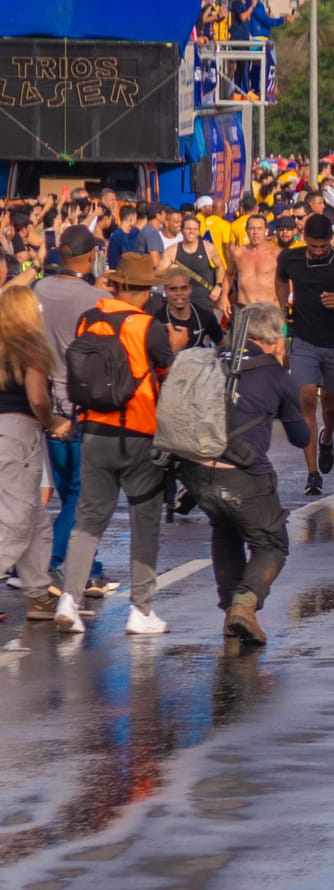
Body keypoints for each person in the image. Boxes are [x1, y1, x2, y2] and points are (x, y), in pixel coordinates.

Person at [53, 255, 177, 635]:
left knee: (89, 520)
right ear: (142, 291)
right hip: (137, 433)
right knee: (144, 521)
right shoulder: (147, 327)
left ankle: (69, 600)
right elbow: (167, 371)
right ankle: (141, 610)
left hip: (93, 430)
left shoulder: (88, 319)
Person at [176, 303, 308, 645]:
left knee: (225, 528)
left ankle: (230, 614)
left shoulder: (212, 358)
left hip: (194, 471)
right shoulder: (276, 374)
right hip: (242, 474)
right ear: (275, 336)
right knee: (271, 543)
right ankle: (244, 605)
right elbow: (301, 438)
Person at [35, 226, 109, 596]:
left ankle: (89, 568)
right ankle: (49, 561)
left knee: (70, 493)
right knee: (85, 495)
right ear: (92, 255)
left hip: (46, 401)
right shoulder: (96, 298)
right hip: (82, 405)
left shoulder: (39, 290)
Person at [276, 213, 334, 497]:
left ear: (331, 241)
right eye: (312, 246)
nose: (317, 252)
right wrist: (282, 307)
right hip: (302, 339)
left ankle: (327, 436)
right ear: (305, 240)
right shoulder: (291, 258)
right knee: (304, 397)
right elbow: (281, 279)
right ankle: (312, 473)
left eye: (322, 246)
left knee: (330, 405)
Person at [0, 287, 67, 621]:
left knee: (35, 521)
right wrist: (54, 422)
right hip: (19, 433)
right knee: (17, 518)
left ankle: (38, 593)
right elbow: (37, 397)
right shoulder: (31, 348)